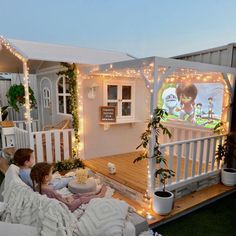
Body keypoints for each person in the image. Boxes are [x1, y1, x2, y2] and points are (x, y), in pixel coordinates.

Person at [30, 162, 107, 212]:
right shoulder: (49, 190)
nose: (52, 175)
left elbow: (56, 198)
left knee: (76, 195)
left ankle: (95, 192)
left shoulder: (38, 186)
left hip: (61, 201)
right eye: (51, 173)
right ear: (46, 177)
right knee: (81, 199)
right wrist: (68, 200)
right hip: (67, 206)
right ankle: (99, 195)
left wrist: (67, 198)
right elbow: (63, 203)